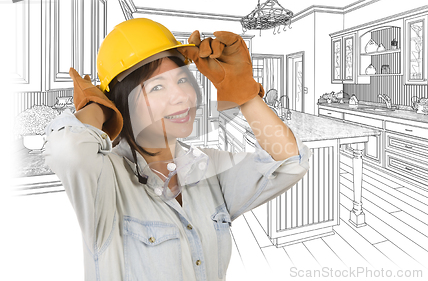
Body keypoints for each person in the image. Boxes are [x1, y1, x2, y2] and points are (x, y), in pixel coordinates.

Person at [43, 18, 311, 281]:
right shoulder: (105, 178)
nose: (181, 96)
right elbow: (67, 150)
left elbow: (289, 160)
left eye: (182, 80)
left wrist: (244, 91)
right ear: (121, 102)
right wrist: (98, 106)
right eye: (157, 86)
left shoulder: (210, 167)